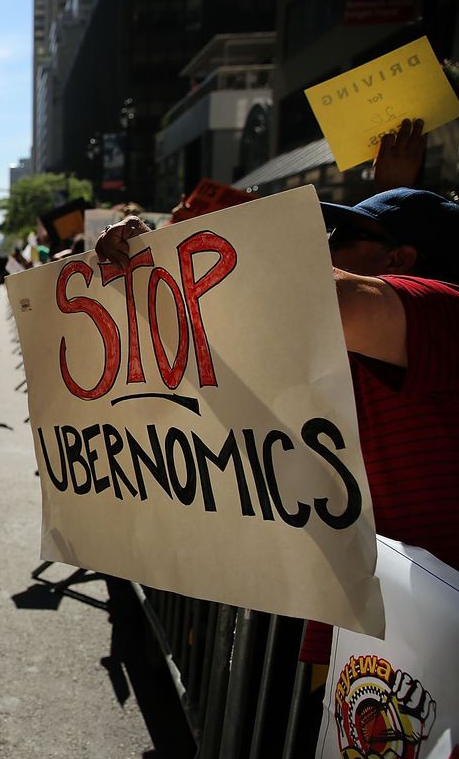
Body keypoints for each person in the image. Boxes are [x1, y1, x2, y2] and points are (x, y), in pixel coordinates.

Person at [96, 186, 459, 570]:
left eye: (343, 236)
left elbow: (322, 295)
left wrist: (174, 249)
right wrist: (151, 257)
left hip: (414, 616)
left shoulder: (443, 310)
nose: (326, 246)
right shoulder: (346, 341)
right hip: (347, 601)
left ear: (400, 258)